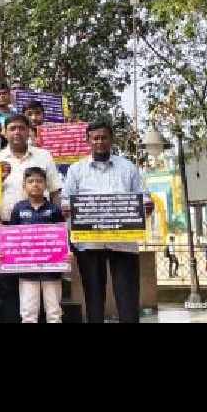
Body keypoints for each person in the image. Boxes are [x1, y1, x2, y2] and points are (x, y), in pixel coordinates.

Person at [61, 119, 152, 323]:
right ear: (88, 141)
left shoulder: (128, 167)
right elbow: (66, 200)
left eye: (104, 137)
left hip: (124, 241)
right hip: (89, 242)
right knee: (93, 297)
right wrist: (67, 209)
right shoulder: (76, 170)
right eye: (95, 138)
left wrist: (147, 205)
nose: (99, 142)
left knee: (127, 296)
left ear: (111, 140)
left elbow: (144, 196)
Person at [0, 114, 62, 322]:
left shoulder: (44, 156)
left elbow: (55, 192)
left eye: (21, 128)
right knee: (11, 285)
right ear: (4, 132)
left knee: (47, 291)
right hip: (7, 230)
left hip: (44, 231)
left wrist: (58, 232)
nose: (17, 132)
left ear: (29, 131)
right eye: (12, 128)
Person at [4, 167, 65, 323]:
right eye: (31, 181)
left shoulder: (54, 210)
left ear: (45, 185)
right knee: (28, 313)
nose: (35, 184)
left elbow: (63, 237)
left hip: (52, 270)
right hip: (27, 270)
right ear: (24, 186)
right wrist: (3, 252)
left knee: (54, 313)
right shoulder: (18, 209)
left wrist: (67, 253)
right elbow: (11, 238)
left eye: (39, 181)